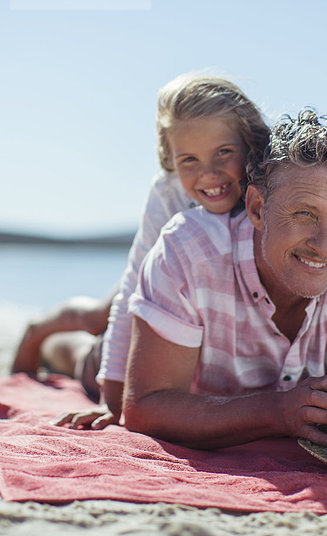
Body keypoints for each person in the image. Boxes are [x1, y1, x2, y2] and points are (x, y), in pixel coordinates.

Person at [122, 110, 327, 450]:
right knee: (88, 360)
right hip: (157, 333)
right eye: (305, 214)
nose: (323, 245)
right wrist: (277, 410)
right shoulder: (190, 250)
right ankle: (53, 332)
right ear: (256, 208)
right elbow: (143, 408)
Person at [11, 72, 271, 428]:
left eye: (223, 152)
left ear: (251, 145)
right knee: (95, 331)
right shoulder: (169, 194)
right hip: (151, 289)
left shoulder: (270, 189)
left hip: (194, 307)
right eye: (189, 160)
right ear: (170, 160)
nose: (209, 174)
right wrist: (112, 401)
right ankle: (41, 334)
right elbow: (134, 286)